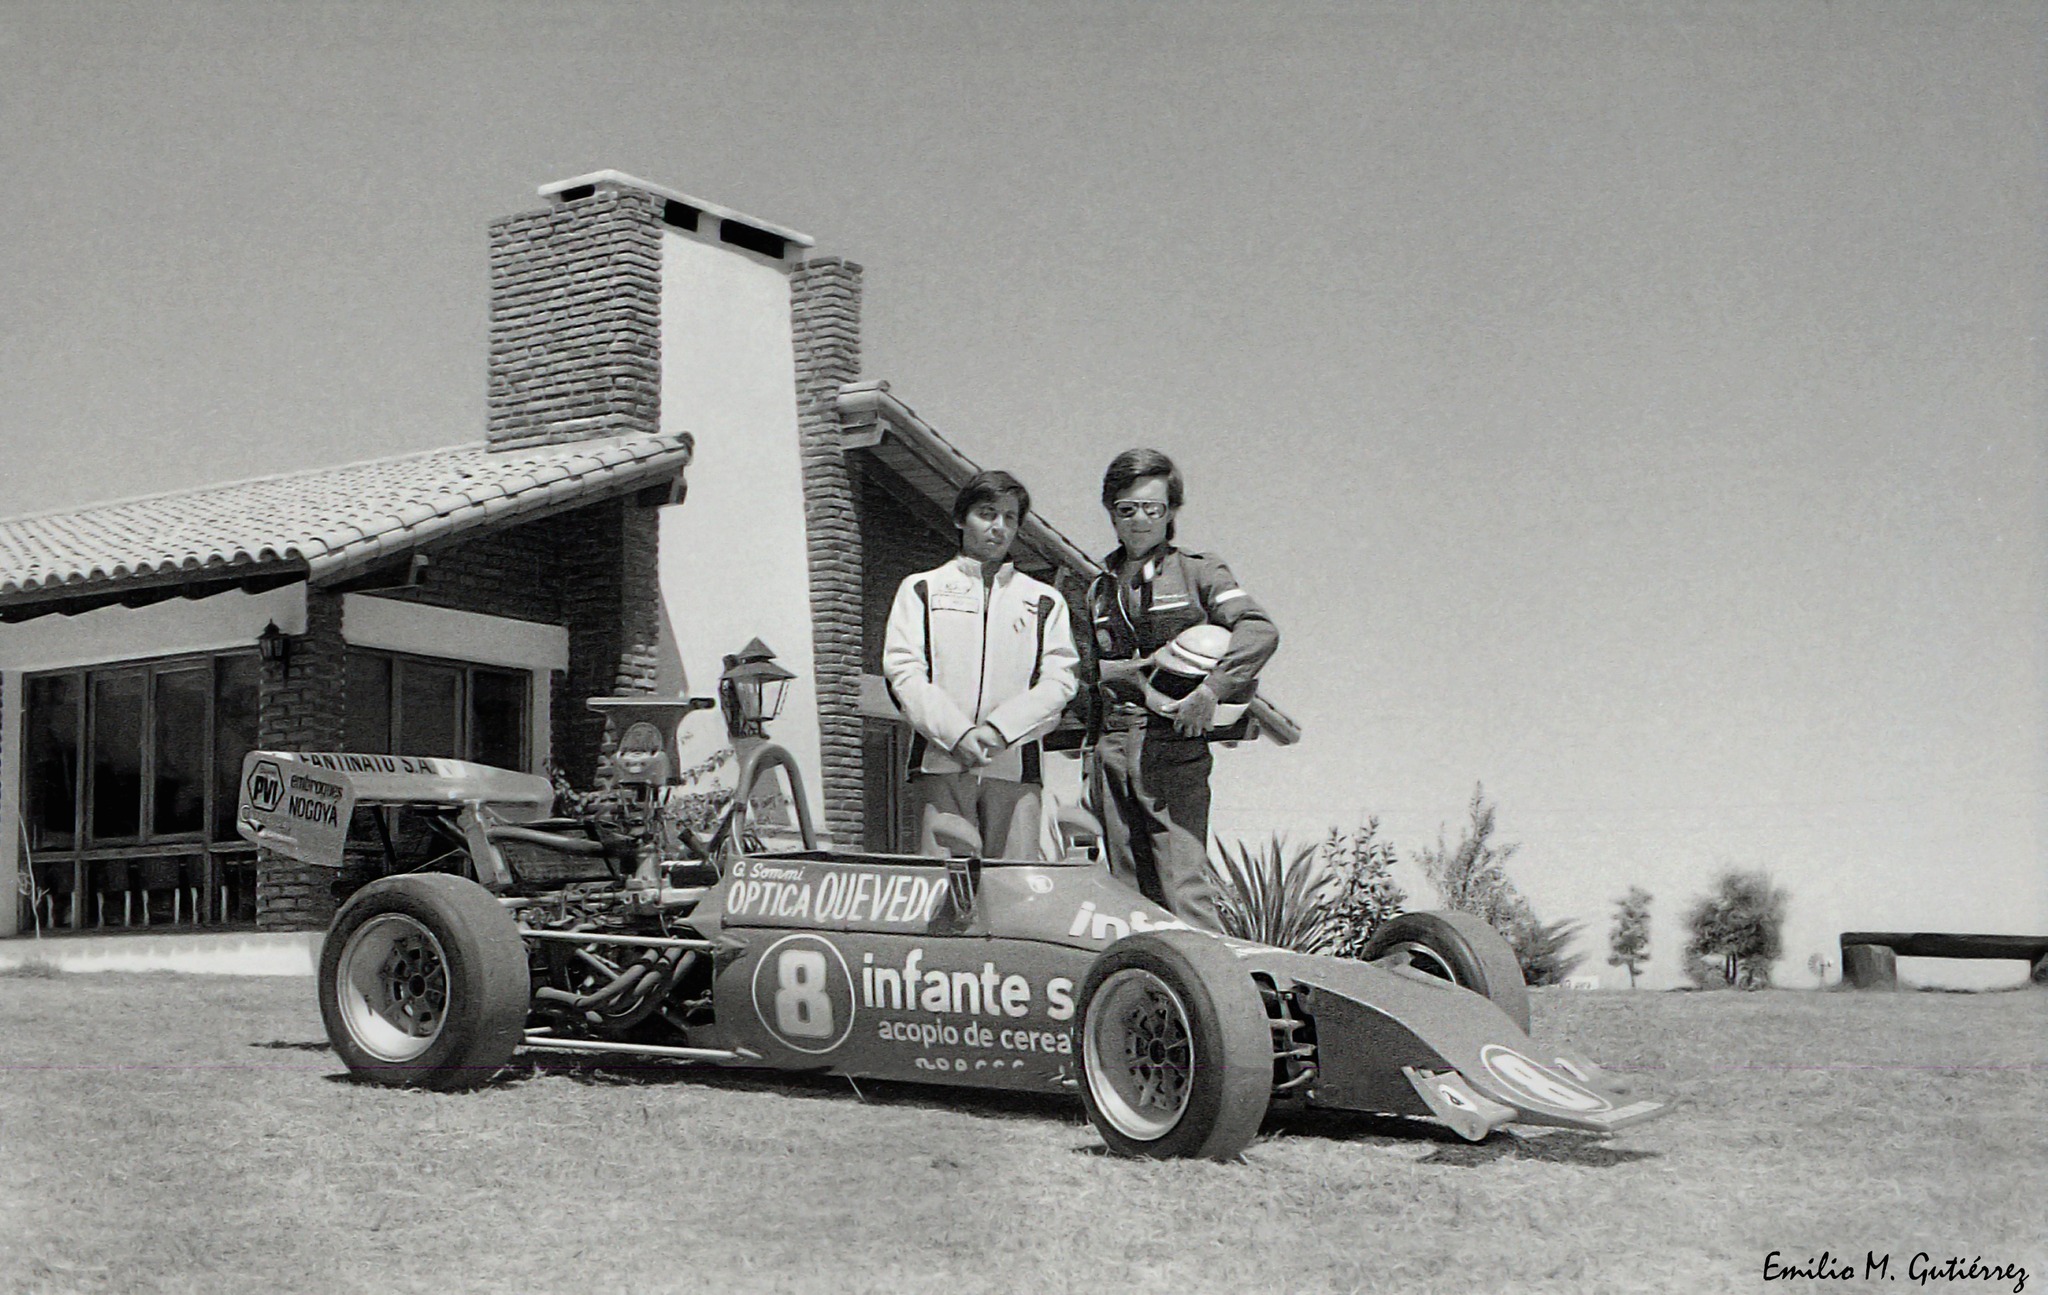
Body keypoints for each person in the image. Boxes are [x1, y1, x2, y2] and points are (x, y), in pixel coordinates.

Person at [1084, 448, 1278, 931]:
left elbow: (1259, 630)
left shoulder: (1198, 571)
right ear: (1111, 512)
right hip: (1111, 746)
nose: (1139, 520)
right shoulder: (1097, 589)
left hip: (1172, 746)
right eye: (1126, 509)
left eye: (1153, 508)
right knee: (1126, 895)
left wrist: (1212, 690)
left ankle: (1216, 996)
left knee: (1182, 886)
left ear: (1171, 512)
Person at [882, 470, 1079, 859]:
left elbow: (1060, 681)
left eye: (1009, 517)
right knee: (942, 891)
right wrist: (958, 735)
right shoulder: (922, 588)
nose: (999, 527)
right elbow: (903, 673)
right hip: (939, 763)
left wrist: (997, 732)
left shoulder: (1044, 600)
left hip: (1015, 768)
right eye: (987, 514)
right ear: (961, 518)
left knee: (1015, 891)